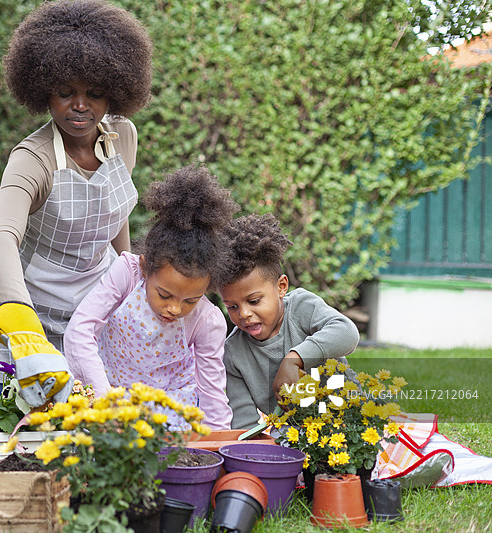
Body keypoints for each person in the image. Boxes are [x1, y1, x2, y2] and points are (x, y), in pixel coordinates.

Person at [0, 0, 153, 406]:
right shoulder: (33, 159)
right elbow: (0, 239)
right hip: (32, 303)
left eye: (95, 93)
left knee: (103, 408)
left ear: (116, 91)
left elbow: (115, 212)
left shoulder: (122, 137)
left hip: (96, 302)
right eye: (65, 92)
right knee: (31, 416)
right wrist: (21, 322)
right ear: (43, 90)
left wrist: (131, 277)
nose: (80, 105)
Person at [63, 165, 239, 429]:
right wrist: (103, 398)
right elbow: (79, 330)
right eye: (164, 294)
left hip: (167, 411)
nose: (175, 308)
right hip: (105, 392)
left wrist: (216, 446)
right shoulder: (127, 274)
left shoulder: (208, 320)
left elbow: (212, 393)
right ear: (145, 268)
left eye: (191, 300)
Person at [217, 213, 360, 429]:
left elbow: (347, 333)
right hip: (291, 437)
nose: (244, 314)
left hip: (347, 422)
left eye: (254, 301)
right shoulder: (233, 352)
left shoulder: (302, 307)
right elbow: (243, 423)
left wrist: (295, 359)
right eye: (232, 307)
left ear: (281, 287)